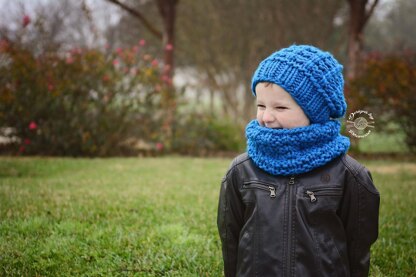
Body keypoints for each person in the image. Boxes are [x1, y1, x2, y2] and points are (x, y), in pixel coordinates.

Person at [217, 45, 380, 277]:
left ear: (316, 113)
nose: (266, 117)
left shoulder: (349, 175)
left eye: (280, 107)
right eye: (260, 105)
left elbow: (358, 247)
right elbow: (230, 239)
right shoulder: (242, 171)